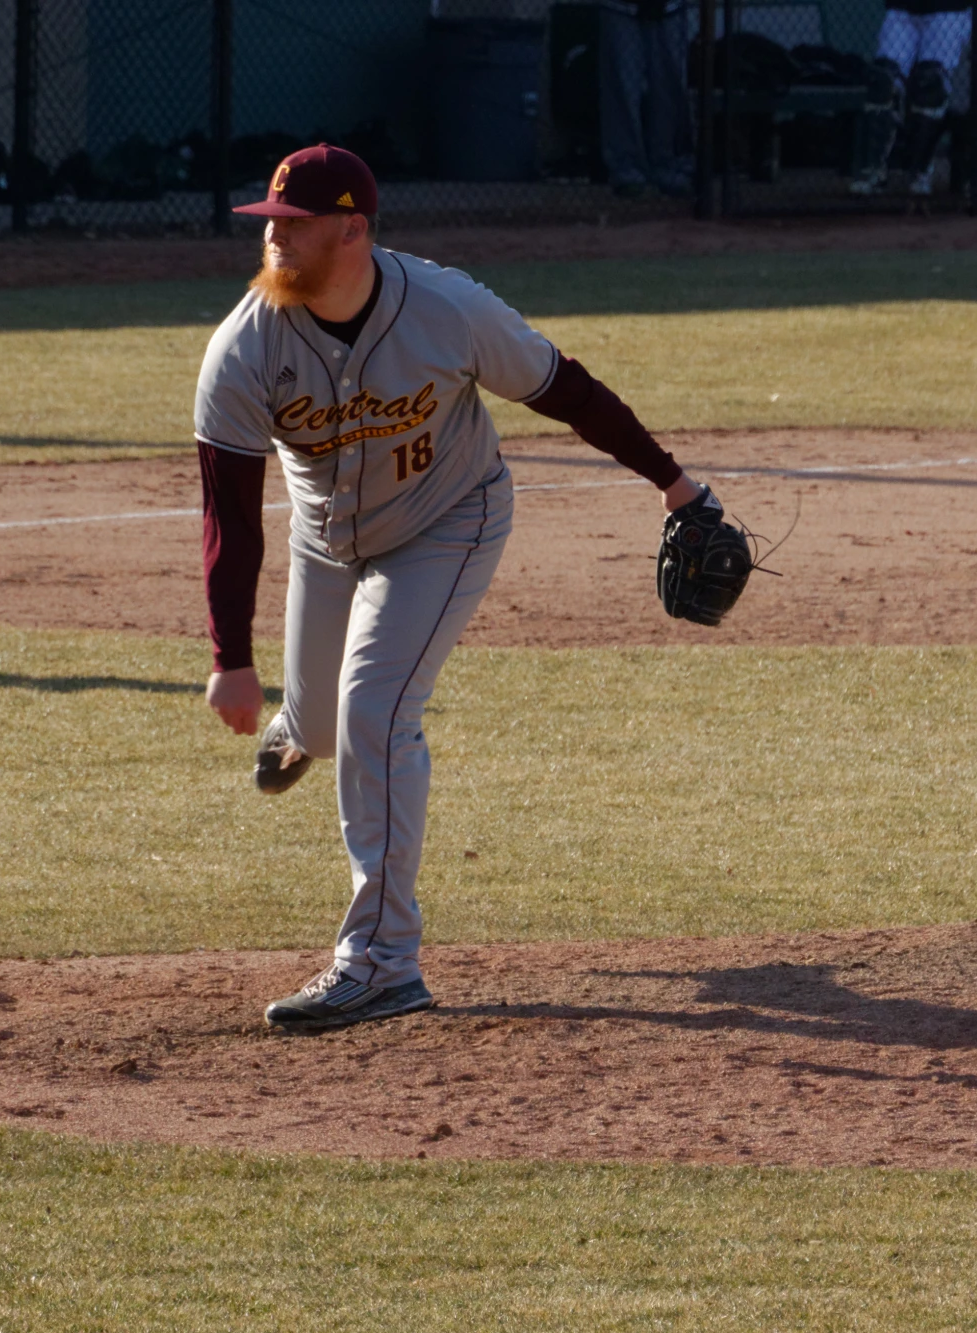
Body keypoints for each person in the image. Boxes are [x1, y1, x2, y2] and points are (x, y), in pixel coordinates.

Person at [193, 145, 715, 1031]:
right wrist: (229, 660)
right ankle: (300, 723)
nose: (274, 241)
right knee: (323, 726)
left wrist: (674, 484)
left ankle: (381, 962)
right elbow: (231, 517)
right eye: (269, 225)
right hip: (326, 543)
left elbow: (567, 390)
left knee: (375, 711)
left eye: (295, 225)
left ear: (352, 229)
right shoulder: (242, 349)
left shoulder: (447, 308)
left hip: (448, 523)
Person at [850, 0, 972, 195]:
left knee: (930, 83)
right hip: (902, 9)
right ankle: (872, 170)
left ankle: (920, 171)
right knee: (883, 81)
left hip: (949, 10)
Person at [600, 0, 693, 197]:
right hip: (620, 7)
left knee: (669, 86)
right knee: (623, 87)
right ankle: (626, 170)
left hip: (670, 7)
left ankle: (668, 166)